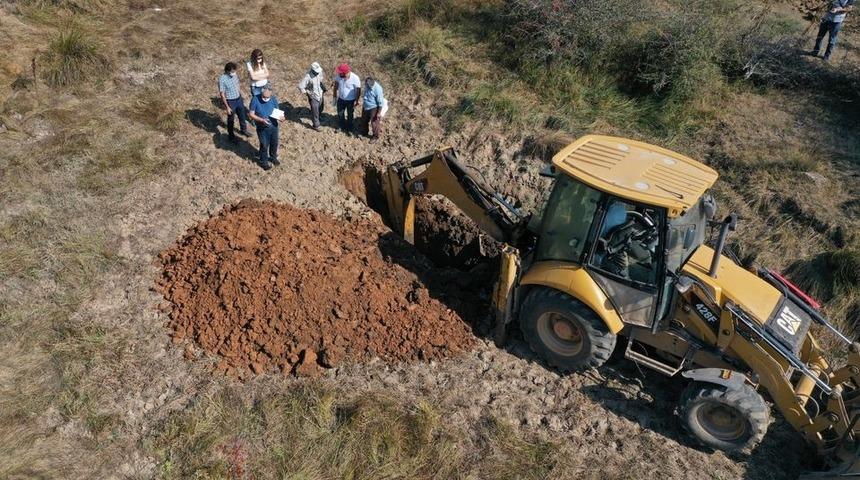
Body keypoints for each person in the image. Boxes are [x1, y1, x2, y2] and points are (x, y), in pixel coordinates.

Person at [247, 86, 281, 171]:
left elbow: (278, 111)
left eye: (267, 97)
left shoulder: (273, 99)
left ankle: (273, 157)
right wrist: (261, 120)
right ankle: (264, 162)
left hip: (274, 126)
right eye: (264, 97)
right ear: (261, 93)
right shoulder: (255, 99)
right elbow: (251, 114)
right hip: (262, 127)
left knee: (274, 143)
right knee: (264, 145)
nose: (266, 99)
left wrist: (281, 117)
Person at [218, 62, 250, 142]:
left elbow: (237, 85)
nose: (234, 73)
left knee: (242, 116)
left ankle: (244, 130)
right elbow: (222, 94)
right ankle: (231, 136)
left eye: (234, 71)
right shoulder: (222, 79)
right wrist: (227, 107)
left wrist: (242, 94)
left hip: (238, 99)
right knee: (231, 119)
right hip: (230, 101)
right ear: (227, 71)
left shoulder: (235, 75)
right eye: (232, 71)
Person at [332, 63, 361, 133]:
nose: (339, 74)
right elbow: (336, 86)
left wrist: (357, 101)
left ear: (346, 72)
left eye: (341, 73)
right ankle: (341, 126)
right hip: (341, 99)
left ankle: (349, 127)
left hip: (351, 100)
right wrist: (334, 96)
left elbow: (358, 90)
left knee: (350, 114)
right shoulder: (339, 76)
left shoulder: (355, 78)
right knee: (340, 113)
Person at [298, 62, 326, 131]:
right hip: (313, 96)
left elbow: (321, 80)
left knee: (321, 107)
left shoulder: (320, 72)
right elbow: (300, 86)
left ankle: (319, 116)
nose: (318, 72)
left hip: (320, 94)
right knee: (314, 111)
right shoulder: (308, 76)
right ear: (312, 70)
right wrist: (307, 93)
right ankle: (316, 125)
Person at [361, 76, 388, 141]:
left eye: (369, 85)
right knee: (364, 120)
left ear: (373, 83)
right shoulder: (367, 85)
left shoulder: (378, 89)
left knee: (374, 123)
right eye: (367, 84)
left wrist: (378, 113)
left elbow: (380, 103)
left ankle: (375, 137)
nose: (368, 86)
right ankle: (364, 132)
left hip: (373, 107)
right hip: (365, 106)